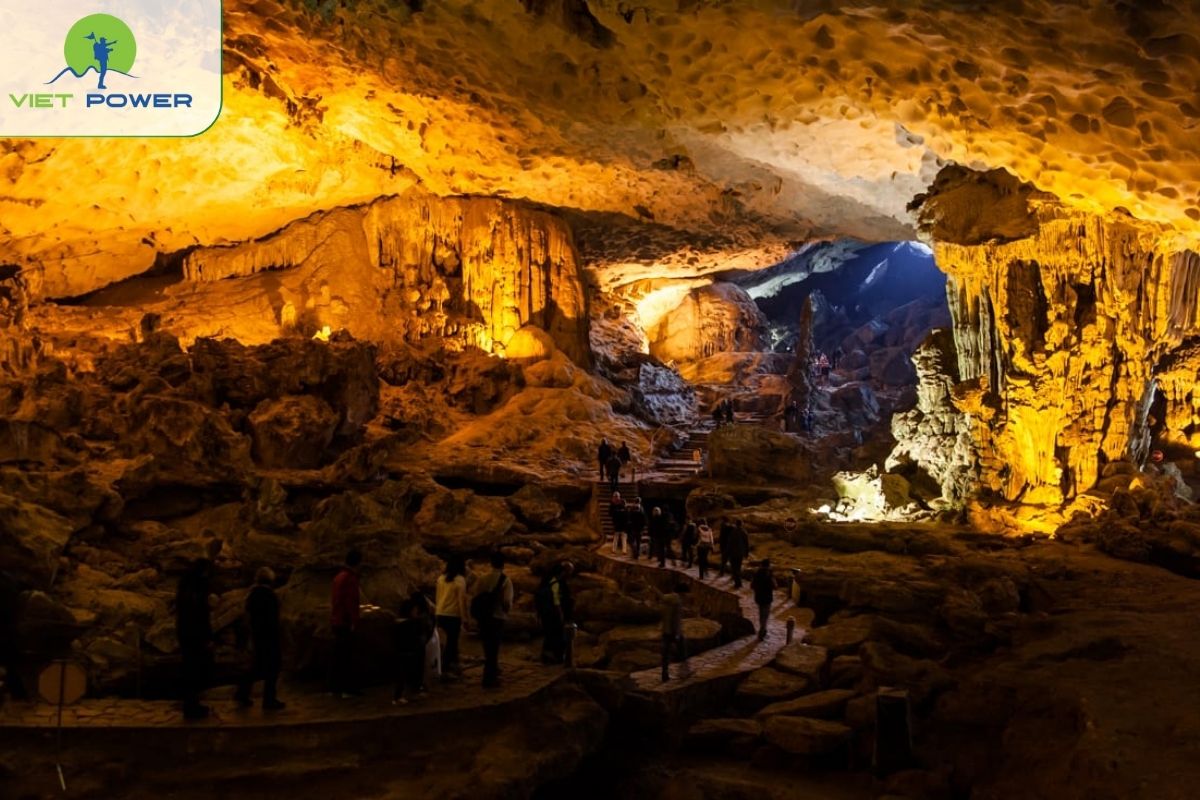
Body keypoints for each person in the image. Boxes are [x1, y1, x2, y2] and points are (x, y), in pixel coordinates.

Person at [235, 567, 285, 711]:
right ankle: (269, 699)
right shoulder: (269, 596)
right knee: (272, 668)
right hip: (269, 636)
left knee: (257, 667)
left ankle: (242, 691)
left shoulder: (252, 594)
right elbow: (273, 619)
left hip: (258, 635)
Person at [177, 558, 215, 720]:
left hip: (186, 633)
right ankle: (192, 706)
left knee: (190, 669)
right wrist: (207, 636)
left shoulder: (185, 588)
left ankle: (191, 704)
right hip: (196, 635)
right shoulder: (198, 590)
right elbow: (200, 615)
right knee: (196, 670)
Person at [472, 551, 513, 688]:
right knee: (494, 649)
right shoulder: (505, 580)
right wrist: (506, 612)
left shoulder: (483, 578)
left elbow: (476, 595)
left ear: (491, 563)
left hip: (483, 618)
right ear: (503, 564)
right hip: (497, 617)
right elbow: (507, 601)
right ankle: (489, 678)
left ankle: (491, 672)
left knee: (487, 647)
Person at [330, 549, 363, 698]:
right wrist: (354, 621)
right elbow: (350, 601)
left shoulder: (338, 576)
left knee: (338, 656)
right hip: (345, 621)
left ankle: (335, 688)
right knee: (347, 657)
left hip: (336, 619)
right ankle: (347, 689)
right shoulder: (350, 578)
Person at [393, 592, 431, 705]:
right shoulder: (410, 624)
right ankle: (398, 696)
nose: (416, 612)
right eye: (415, 610)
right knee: (403, 674)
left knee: (402, 674)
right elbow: (414, 638)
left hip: (401, 652)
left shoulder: (398, 623)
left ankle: (399, 695)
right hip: (408, 652)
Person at [435, 556, 469, 677]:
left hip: (440, 612)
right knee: (452, 642)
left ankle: (451, 665)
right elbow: (461, 601)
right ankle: (445, 667)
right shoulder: (460, 580)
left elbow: (438, 597)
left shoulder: (441, 579)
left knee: (446, 642)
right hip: (453, 614)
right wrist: (464, 618)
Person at [536, 561, 574, 664]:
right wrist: (561, 614)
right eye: (570, 572)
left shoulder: (547, 580)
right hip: (553, 614)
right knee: (555, 635)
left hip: (546, 612)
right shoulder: (555, 582)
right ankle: (554, 658)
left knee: (549, 635)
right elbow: (556, 600)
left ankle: (548, 657)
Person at [660, 582, 690, 683]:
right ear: (682, 592)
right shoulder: (678, 602)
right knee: (683, 652)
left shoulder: (666, 599)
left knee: (665, 654)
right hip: (675, 632)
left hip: (665, 631)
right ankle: (684, 672)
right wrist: (677, 634)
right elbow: (676, 619)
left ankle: (664, 674)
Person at [751, 560, 775, 641]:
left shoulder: (756, 573)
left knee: (761, 614)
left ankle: (763, 630)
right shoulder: (769, 574)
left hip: (759, 597)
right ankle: (762, 633)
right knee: (765, 616)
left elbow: (752, 585)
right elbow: (775, 586)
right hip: (767, 597)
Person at [727, 521, 750, 589]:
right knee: (738, 567)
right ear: (742, 524)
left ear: (736, 524)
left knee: (734, 568)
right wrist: (746, 553)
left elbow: (729, 543)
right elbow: (747, 544)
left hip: (733, 553)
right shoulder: (744, 532)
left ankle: (737, 583)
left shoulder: (733, 532)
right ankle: (739, 582)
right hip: (740, 553)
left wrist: (727, 553)